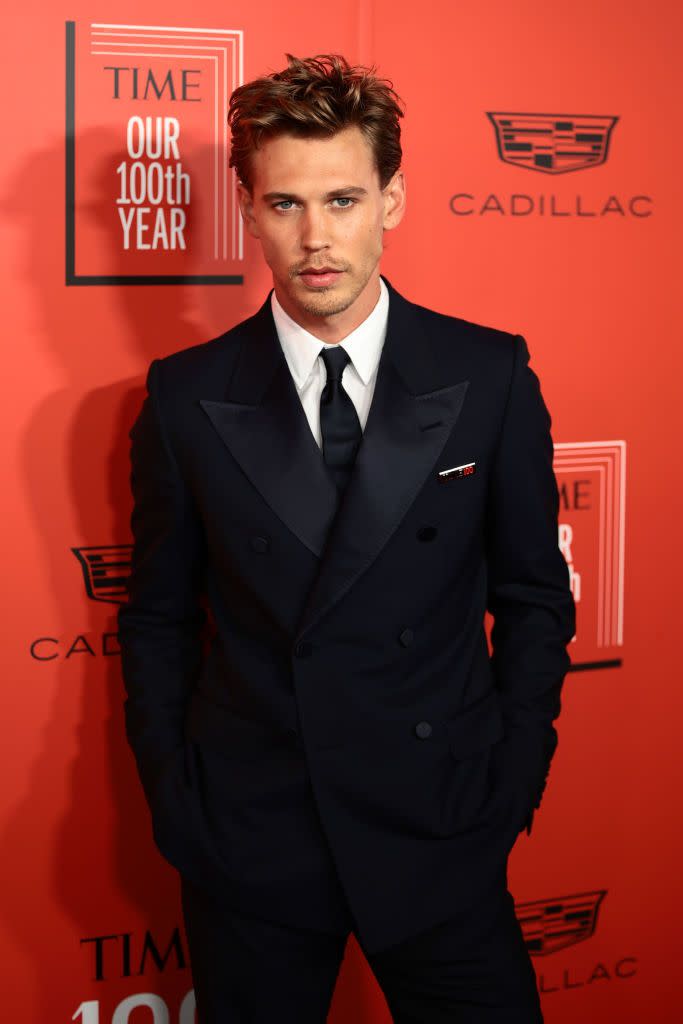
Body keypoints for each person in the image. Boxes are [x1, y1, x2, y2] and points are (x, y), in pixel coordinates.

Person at [118, 53, 575, 1023]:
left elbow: (532, 595)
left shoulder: (486, 373)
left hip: (439, 821)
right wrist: (178, 796)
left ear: (391, 200)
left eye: (341, 199)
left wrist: (510, 776)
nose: (316, 238)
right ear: (247, 212)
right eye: (284, 205)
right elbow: (157, 616)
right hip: (253, 835)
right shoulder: (186, 394)